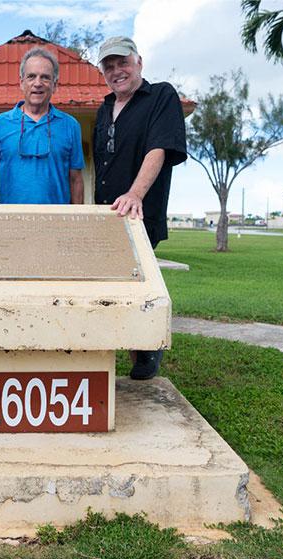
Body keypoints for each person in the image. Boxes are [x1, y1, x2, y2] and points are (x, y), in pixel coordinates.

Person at [93, 36, 187, 380]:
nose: (117, 71)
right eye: (109, 66)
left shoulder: (161, 96)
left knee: (138, 284)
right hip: (106, 218)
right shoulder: (104, 109)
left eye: (123, 63)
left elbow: (159, 149)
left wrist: (135, 194)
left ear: (139, 63)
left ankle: (146, 351)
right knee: (111, 286)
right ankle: (108, 346)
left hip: (138, 215)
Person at [0, 47, 84, 204]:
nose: (38, 83)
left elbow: (75, 179)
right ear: (22, 83)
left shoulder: (70, 126)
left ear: (55, 85)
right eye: (31, 76)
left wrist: (78, 223)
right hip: (9, 223)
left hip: (57, 224)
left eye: (45, 77)